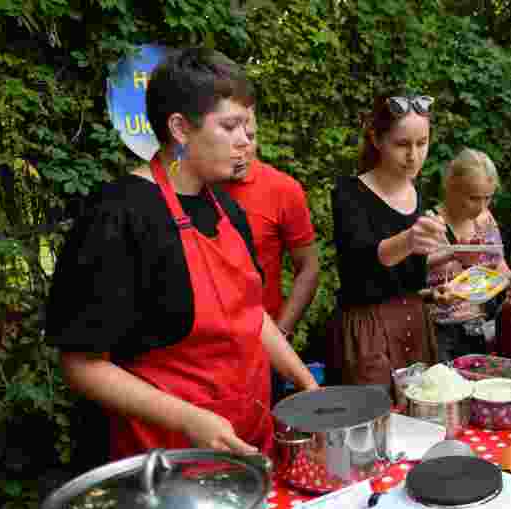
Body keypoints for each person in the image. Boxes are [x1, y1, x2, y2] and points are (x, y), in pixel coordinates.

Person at [45, 47, 319, 461]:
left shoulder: (226, 208)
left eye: (247, 126)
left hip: (247, 445)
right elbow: (81, 364)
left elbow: (249, 315)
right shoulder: (119, 215)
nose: (246, 140)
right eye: (231, 126)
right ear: (180, 128)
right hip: (165, 463)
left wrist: (307, 387)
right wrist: (188, 418)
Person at [328, 93, 446, 395]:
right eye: (402, 144)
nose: (414, 156)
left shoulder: (417, 192)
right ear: (377, 140)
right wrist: (409, 239)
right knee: (372, 425)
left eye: (422, 143)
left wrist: (438, 286)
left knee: (421, 419)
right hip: (367, 331)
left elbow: (406, 271)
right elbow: (362, 259)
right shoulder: (349, 194)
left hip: (416, 323)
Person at [225, 106, 320, 404]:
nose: (242, 148)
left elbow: (309, 268)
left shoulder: (282, 189)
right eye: (232, 136)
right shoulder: (196, 189)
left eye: (250, 137)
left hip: (265, 348)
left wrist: (282, 333)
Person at [426, 149, 511, 361]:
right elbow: (413, 287)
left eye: (487, 198)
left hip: (482, 327)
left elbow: (499, 268)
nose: (481, 207)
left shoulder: (485, 220)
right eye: (473, 198)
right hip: (442, 334)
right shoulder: (431, 226)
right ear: (451, 187)